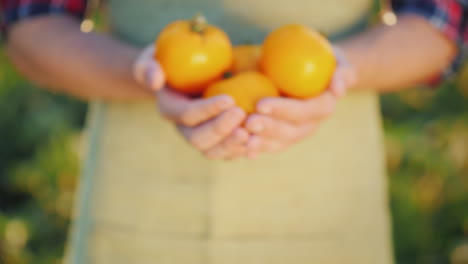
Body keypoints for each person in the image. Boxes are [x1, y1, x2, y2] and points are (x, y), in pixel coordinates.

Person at [1, 0, 466, 263]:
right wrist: (146, 75)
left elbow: (440, 25)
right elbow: (29, 25)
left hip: (328, 207)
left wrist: (340, 70)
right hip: (137, 207)